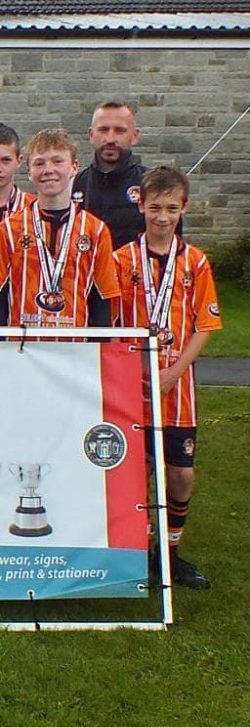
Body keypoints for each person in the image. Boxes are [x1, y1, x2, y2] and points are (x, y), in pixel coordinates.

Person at [113, 167, 222, 589]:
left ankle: (170, 553)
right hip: (131, 384)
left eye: (171, 208)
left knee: (180, 474)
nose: (162, 216)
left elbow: (205, 325)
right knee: (135, 471)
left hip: (177, 389)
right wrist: (132, 368)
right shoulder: (122, 260)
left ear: (184, 208)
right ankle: (135, 553)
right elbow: (111, 323)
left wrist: (174, 373)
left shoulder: (196, 262)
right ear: (140, 204)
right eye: (154, 207)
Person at [0, 128, 120, 328]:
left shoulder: (96, 231)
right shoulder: (10, 230)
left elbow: (102, 301)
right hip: (23, 349)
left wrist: (95, 355)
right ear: (29, 172)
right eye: (39, 163)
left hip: (74, 351)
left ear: (74, 167)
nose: (48, 170)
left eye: (57, 161)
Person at [72, 99, 147, 250]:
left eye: (119, 131)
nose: (111, 139)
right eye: (103, 130)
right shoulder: (74, 184)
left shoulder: (150, 185)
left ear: (135, 136)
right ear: (91, 135)